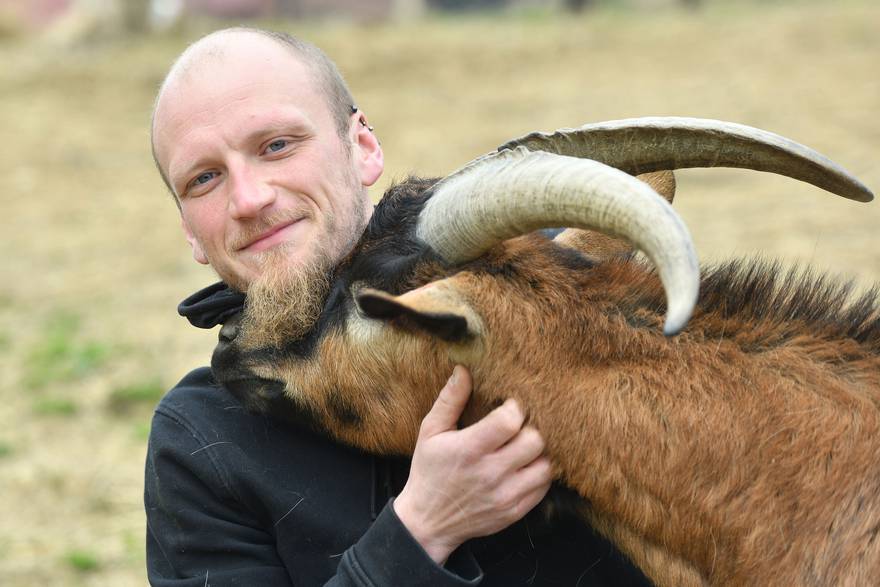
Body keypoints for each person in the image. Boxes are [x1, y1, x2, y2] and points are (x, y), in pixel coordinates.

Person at [145, 26, 652, 586]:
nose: (249, 199)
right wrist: (422, 530)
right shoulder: (201, 440)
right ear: (190, 230)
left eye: (277, 146)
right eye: (205, 178)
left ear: (361, 147)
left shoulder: (543, 287)